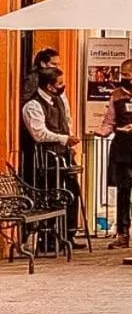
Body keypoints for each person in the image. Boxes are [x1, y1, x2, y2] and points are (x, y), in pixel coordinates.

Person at [98, 58, 132, 249]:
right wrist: (103, 131)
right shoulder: (116, 94)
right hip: (121, 145)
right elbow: (110, 119)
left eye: (126, 75)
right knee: (123, 189)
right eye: (122, 74)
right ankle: (123, 234)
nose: (123, 78)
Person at [21, 67, 81, 244]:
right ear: (49, 86)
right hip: (47, 157)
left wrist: (69, 141)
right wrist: (63, 139)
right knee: (51, 194)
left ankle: (68, 234)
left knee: (72, 191)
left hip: (64, 154)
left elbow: (66, 121)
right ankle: (48, 237)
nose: (63, 86)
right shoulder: (33, 105)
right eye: (60, 83)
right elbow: (39, 133)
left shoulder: (59, 99)